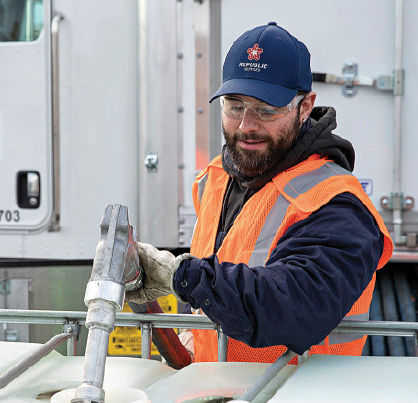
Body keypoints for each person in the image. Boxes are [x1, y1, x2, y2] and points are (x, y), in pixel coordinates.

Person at [133, 22, 393, 363]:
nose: (247, 125)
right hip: (222, 400)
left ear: (304, 107)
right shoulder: (216, 179)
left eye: (267, 109)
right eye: (234, 106)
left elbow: (293, 305)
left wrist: (183, 277)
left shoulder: (338, 206)